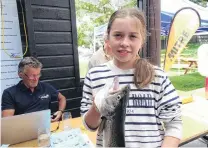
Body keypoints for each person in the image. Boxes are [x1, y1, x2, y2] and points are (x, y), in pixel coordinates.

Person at [80, 8, 182, 147]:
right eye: (118, 35)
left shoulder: (158, 77)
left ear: (142, 40)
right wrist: (97, 108)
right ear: (108, 38)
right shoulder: (94, 75)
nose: (124, 43)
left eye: (133, 36)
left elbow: (174, 122)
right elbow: (89, 126)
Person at [1, 57, 66, 122]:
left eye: (38, 75)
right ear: (21, 75)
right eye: (32, 76)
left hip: (47, 127)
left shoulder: (45, 87)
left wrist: (60, 111)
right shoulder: (9, 93)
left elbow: (62, 98)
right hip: (24, 130)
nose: (36, 79)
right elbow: (7, 121)